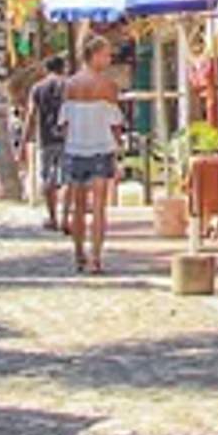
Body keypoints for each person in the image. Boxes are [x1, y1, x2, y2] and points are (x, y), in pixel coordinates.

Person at [58, 39, 129, 275]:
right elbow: (115, 123)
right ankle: (96, 257)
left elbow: (64, 122)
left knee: (79, 205)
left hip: (76, 147)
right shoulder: (108, 86)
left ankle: (79, 253)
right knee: (98, 205)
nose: (109, 60)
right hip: (101, 147)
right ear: (95, 55)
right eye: (107, 55)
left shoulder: (71, 85)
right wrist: (119, 148)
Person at [26, 54, 70, 230]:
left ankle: (52, 218)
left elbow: (30, 115)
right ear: (63, 68)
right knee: (68, 180)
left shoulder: (37, 88)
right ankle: (66, 218)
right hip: (69, 138)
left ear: (46, 69)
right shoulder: (69, 85)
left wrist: (23, 142)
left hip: (46, 139)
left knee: (48, 179)